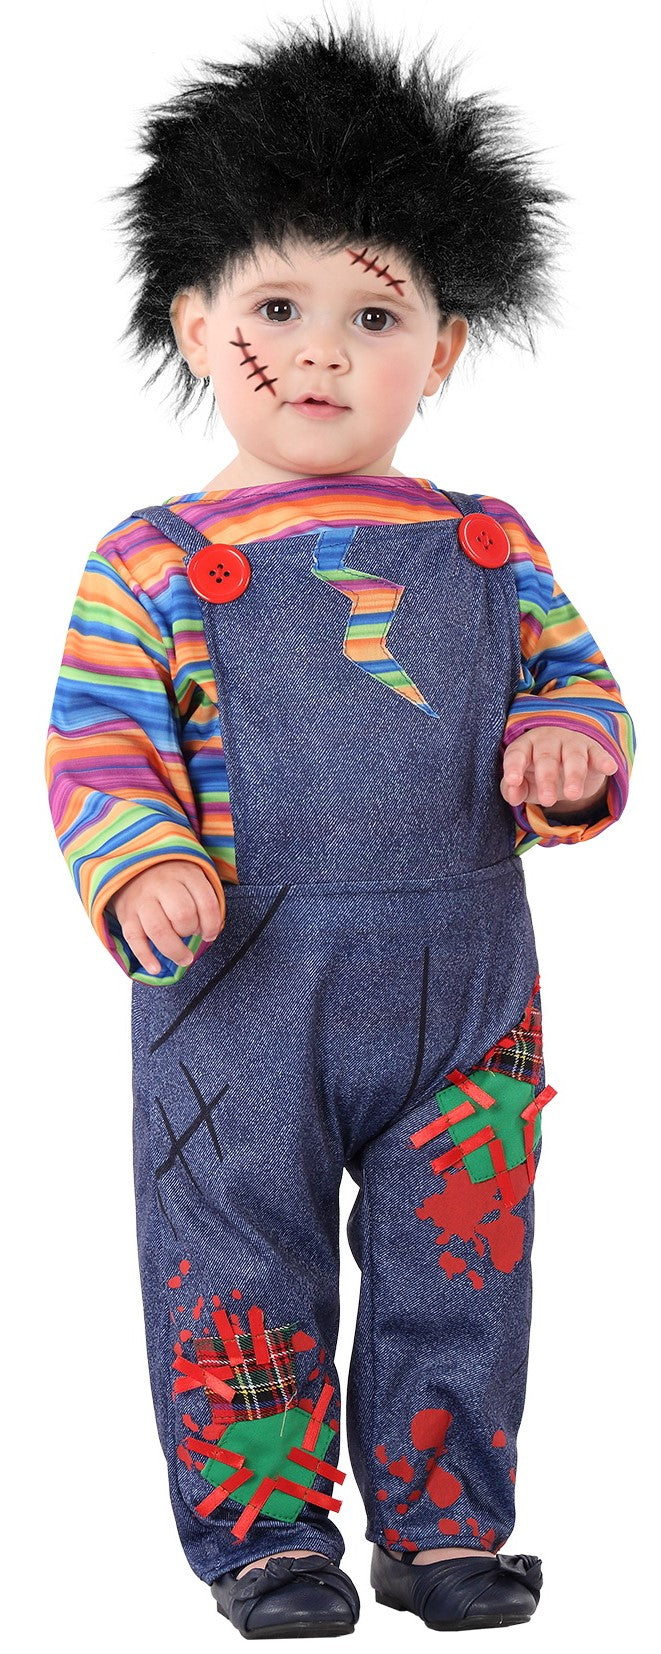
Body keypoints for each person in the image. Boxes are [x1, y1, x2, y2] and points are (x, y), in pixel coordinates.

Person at [44, 12, 635, 1639]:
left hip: (469, 994)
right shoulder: (152, 560)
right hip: (240, 986)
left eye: (374, 314)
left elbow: (576, 684)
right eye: (275, 309)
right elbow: (97, 744)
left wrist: (567, 747)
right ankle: (265, 1536)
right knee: (234, 1257)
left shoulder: (492, 543)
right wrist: (141, 857)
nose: (321, 353)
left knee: (468, 1259)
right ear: (194, 321)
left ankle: (445, 1524)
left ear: (441, 349)